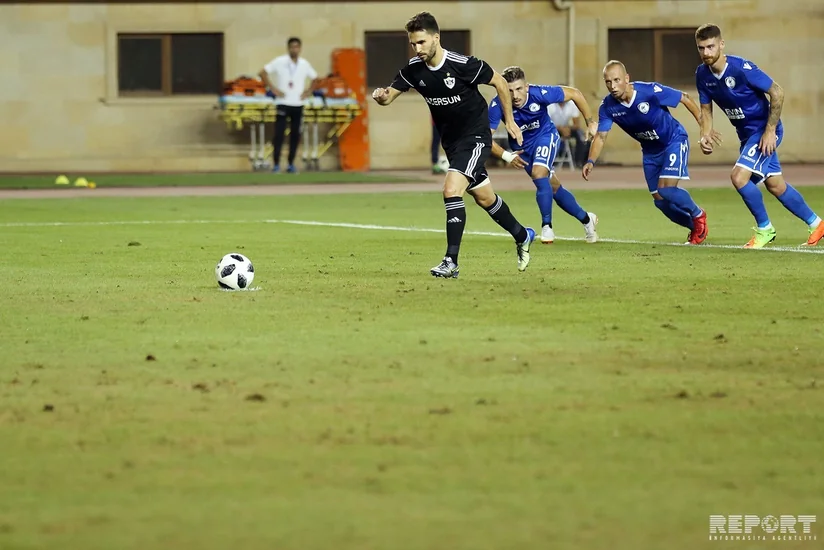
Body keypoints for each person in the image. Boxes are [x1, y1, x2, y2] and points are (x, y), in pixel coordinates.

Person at [371, 11, 535, 278]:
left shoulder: (462, 64)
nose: (417, 48)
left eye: (422, 42)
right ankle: (522, 234)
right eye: (413, 43)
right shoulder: (414, 69)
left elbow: (500, 82)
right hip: (453, 143)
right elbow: (390, 96)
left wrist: (510, 121)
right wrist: (381, 96)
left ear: (436, 37)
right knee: (485, 198)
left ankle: (451, 262)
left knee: (451, 190)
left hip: (476, 136)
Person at [694, 24, 824, 247]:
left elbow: (777, 92)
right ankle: (817, 224)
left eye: (711, 46)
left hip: (764, 132)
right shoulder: (702, 75)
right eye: (701, 48)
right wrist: (705, 134)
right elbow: (706, 109)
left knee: (739, 177)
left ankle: (765, 229)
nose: (706, 53)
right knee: (776, 185)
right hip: (747, 137)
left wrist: (770, 131)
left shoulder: (741, 68)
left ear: (721, 45)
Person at [583, 60, 709, 245]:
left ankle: (699, 215)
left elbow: (685, 98)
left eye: (617, 80)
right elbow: (601, 137)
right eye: (608, 82)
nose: (613, 86)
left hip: (674, 140)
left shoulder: (649, 92)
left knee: (666, 189)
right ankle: (695, 226)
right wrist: (590, 161)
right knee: (660, 201)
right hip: (650, 151)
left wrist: (705, 128)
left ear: (627, 78)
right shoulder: (608, 107)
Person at [489, 66, 599, 244]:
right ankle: (588, 220)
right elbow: (486, 138)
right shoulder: (497, 105)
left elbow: (575, 93)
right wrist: (507, 156)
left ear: (526, 86)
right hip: (522, 148)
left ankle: (547, 226)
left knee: (539, 173)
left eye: (518, 89)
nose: (515, 95)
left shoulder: (539, 93)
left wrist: (590, 122)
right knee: (552, 187)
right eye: (509, 91)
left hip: (545, 137)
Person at [259, 37, 318, 174]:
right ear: (288, 48)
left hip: (298, 103)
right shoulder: (280, 61)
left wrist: (308, 92)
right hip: (283, 103)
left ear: (300, 48)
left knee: (295, 135)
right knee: (279, 135)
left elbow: (315, 78)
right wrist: (273, 89)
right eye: (292, 47)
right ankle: (276, 164)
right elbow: (263, 72)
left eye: (297, 47)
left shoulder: (304, 64)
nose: (294, 49)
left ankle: (291, 163)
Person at [548, 94, 588, 168]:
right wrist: (560, 128)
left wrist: (567, 128)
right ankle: (548, 161)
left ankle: (579, 161)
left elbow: (577, 124)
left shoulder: (572, 105)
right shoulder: (550, 105)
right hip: (552, 128)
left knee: (581, 136)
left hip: (566, 128)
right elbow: (546, 123)